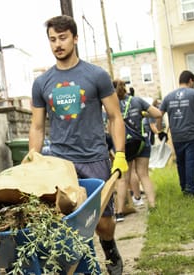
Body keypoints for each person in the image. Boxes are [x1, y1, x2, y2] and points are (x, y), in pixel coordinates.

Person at [27, 15, 127, 274]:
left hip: (94, 157)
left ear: (75, 38)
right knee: (65, 221)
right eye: (52, 39)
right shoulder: (42, 83)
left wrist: (119, 154)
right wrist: (32, 159)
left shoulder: (96, 76)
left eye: (62, 38)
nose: (57, 44)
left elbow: (115, 117)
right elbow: (37, 126)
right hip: (60, 161)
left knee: (103, 222)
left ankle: (110, 248)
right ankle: (77, 265)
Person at [115, 80, 160, 212]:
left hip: (123, 145)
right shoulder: (137, 101)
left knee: (124, 179)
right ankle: (152, 205)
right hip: (141, 143)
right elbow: (158, 113)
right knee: (143, 174)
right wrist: (143, 113)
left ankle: (119, 212)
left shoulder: (112, 104)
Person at [158, 70, 194, 198]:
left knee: (181, 162)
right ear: (191, 81)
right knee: (191, 162)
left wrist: (160, 131)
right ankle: (191, 191)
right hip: (192, 135)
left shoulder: (168, 97)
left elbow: (159, 115)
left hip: (176, 136)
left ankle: (184, 187)